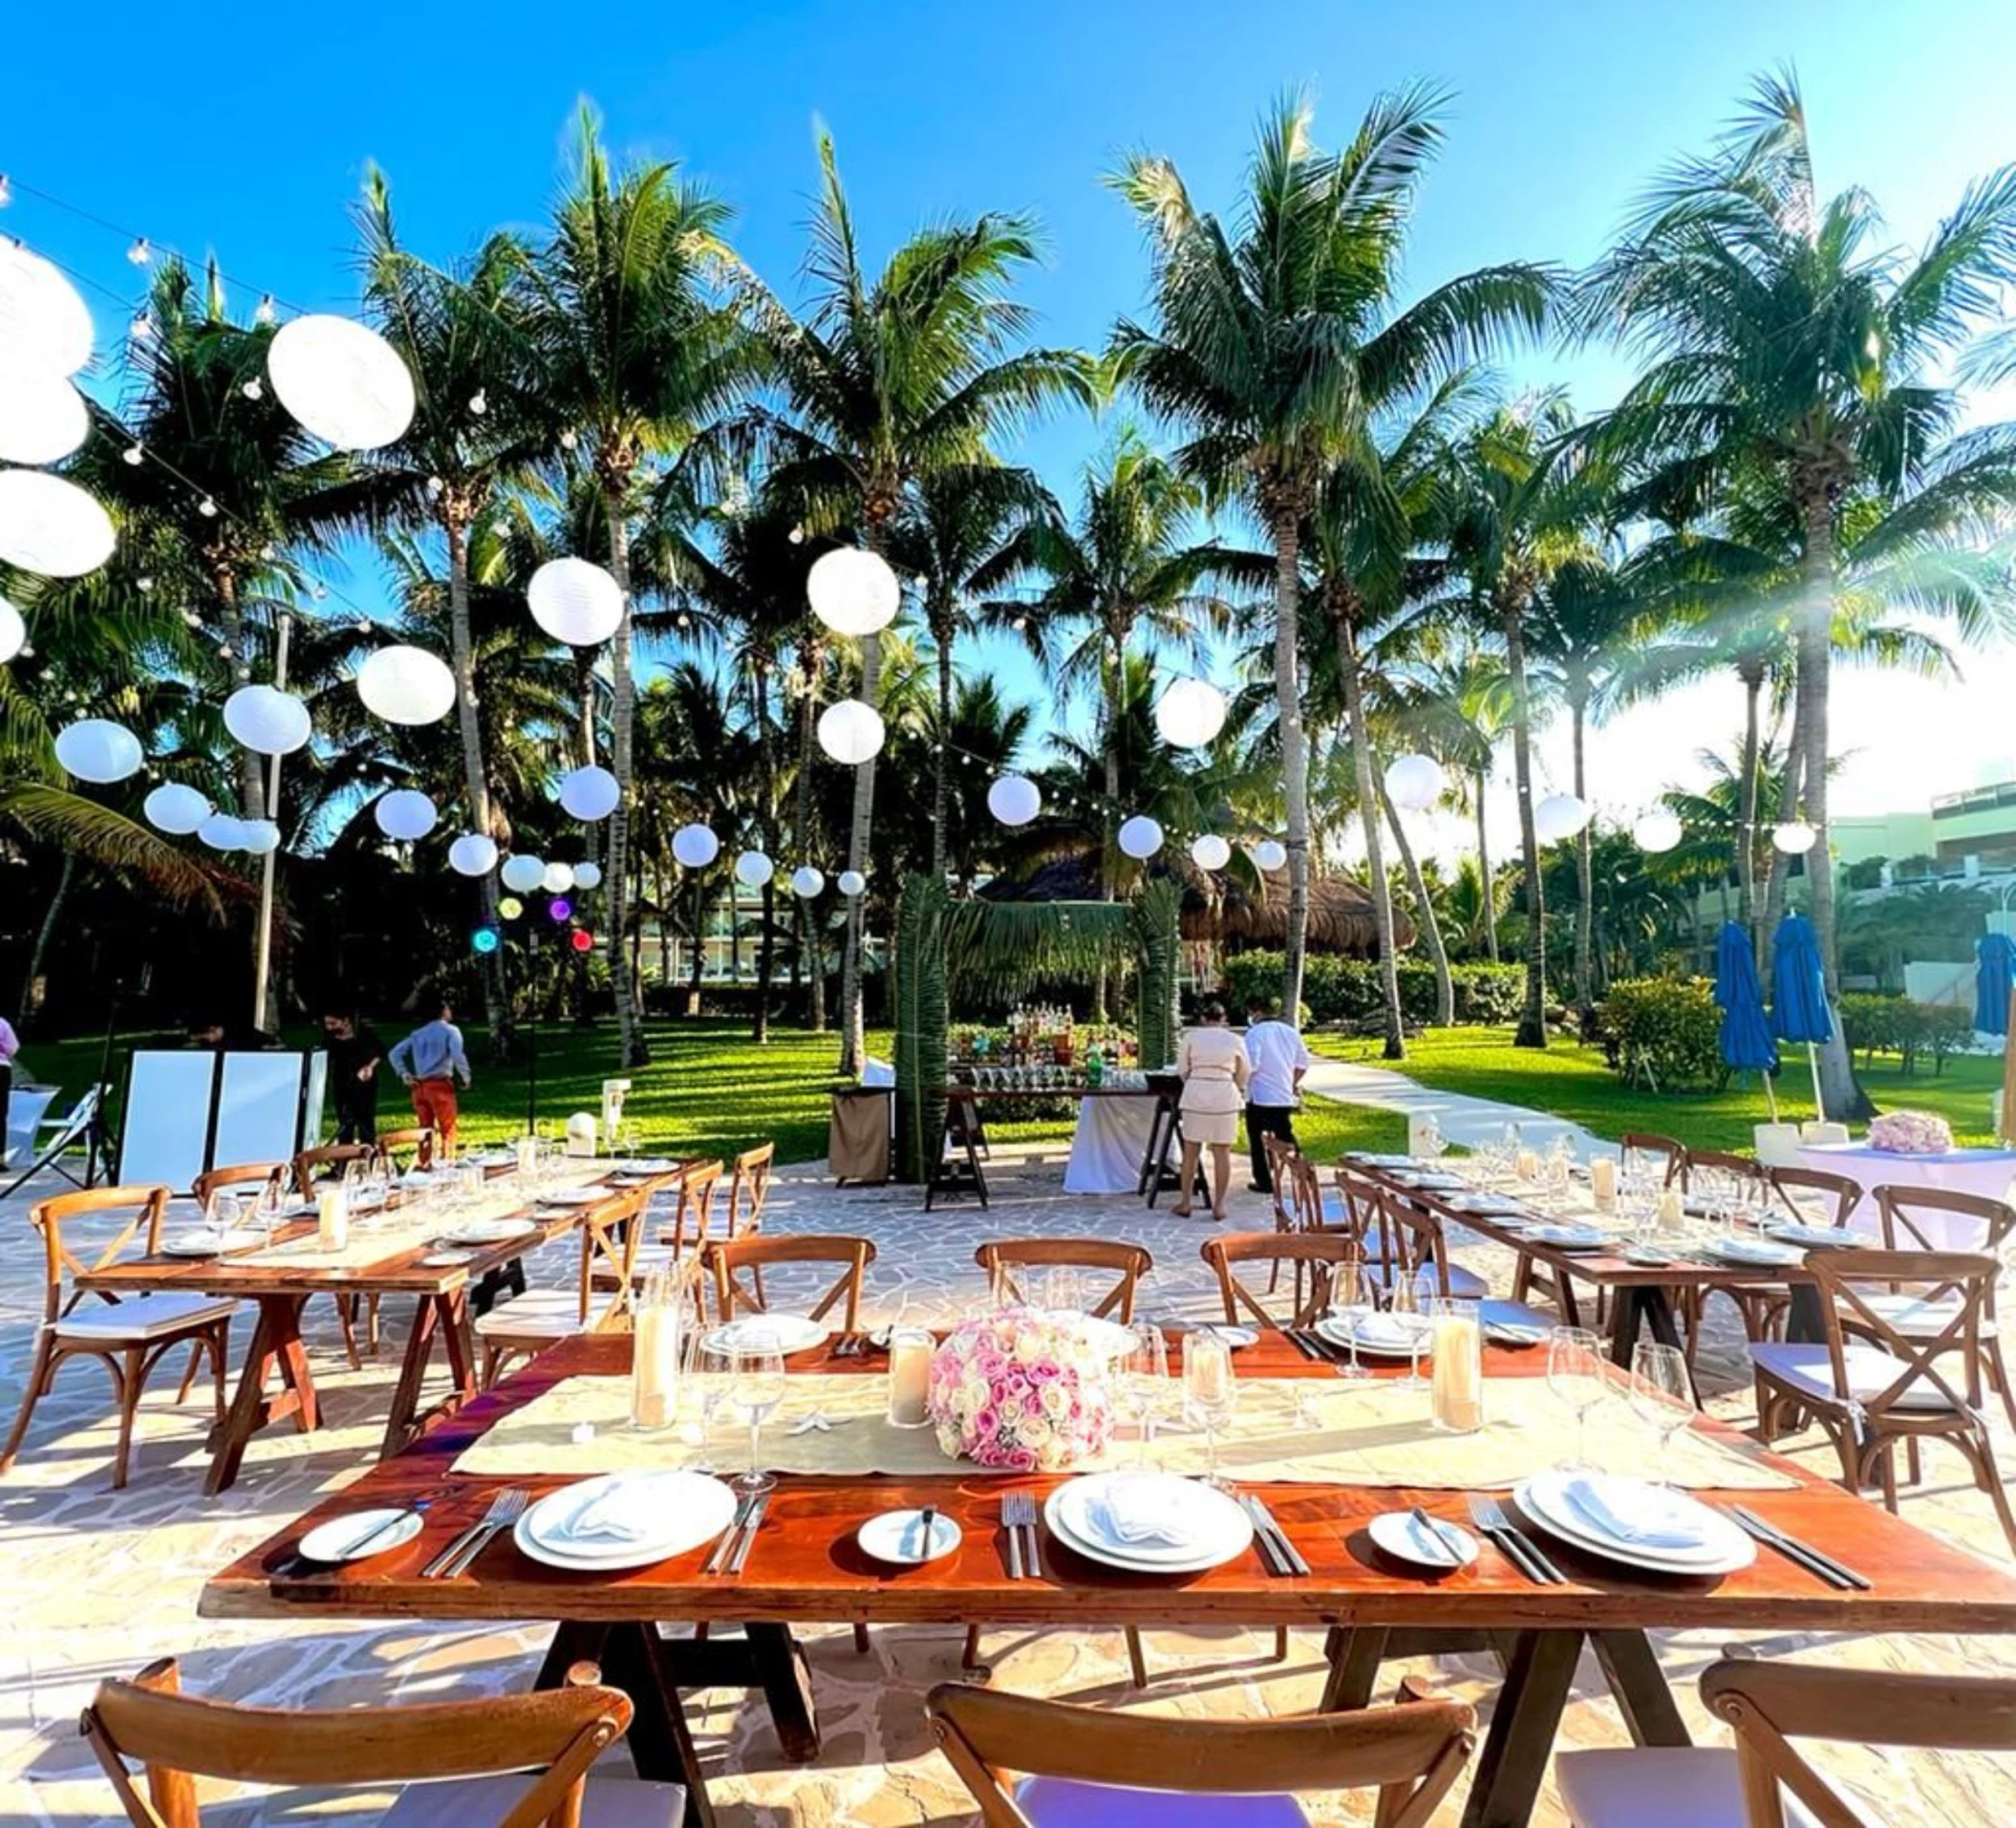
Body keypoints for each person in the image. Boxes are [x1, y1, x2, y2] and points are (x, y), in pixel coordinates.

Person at [1172, 998, 1250, 1222]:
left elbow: (1182, 1069)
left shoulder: (1191, 1037)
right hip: (1224, 1095)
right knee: (1221, 1152)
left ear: (1203, 1018)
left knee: (1191, 1151)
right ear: (1224, 1019)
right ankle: (1219, 1205)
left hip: (1196, 1093)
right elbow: (1245, 1070)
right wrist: (1236, 1086)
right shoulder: (1235, 1039)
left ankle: (1186, 1201)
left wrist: (1194, 1080)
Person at [1243, 996, 1313, 1194]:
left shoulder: (1255, 1033)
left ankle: (1264, 1181)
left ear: (1257, 1013)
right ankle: (1303, 1172)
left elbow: (1252, 1064)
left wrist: (1242, 1081)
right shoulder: (1291, 1032)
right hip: (1282, 1095)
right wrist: (1290, 1083)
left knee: (1256, 1139)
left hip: (1260, 1096)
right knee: (1286, 1134)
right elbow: (1302, 1064)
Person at [388, 1000, 470, 1165]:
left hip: (420, 1086)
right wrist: (465, 1075)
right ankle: (448, 1162)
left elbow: (394, 1053)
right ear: (442, 1012)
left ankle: (424, 1163)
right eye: (448, 1008)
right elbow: (457, 1054)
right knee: (448, 1127)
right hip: (440, 1084)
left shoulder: (417, 1034)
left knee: (425, 1130)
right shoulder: (450, 1031)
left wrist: (404, 1073)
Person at [321, 1008, 385, 1145]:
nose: (329, 1028)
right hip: (342, 1084)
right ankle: (344, 1160)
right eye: (327, 1024)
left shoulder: (364, 1035)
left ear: (346, 1021)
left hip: (365, 1084)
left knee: (366, 1122)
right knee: (345, 1125)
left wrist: (370, 1067)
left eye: (333, 1023)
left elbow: (380, 1051)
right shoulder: (329, 1041)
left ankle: (368, 1157)